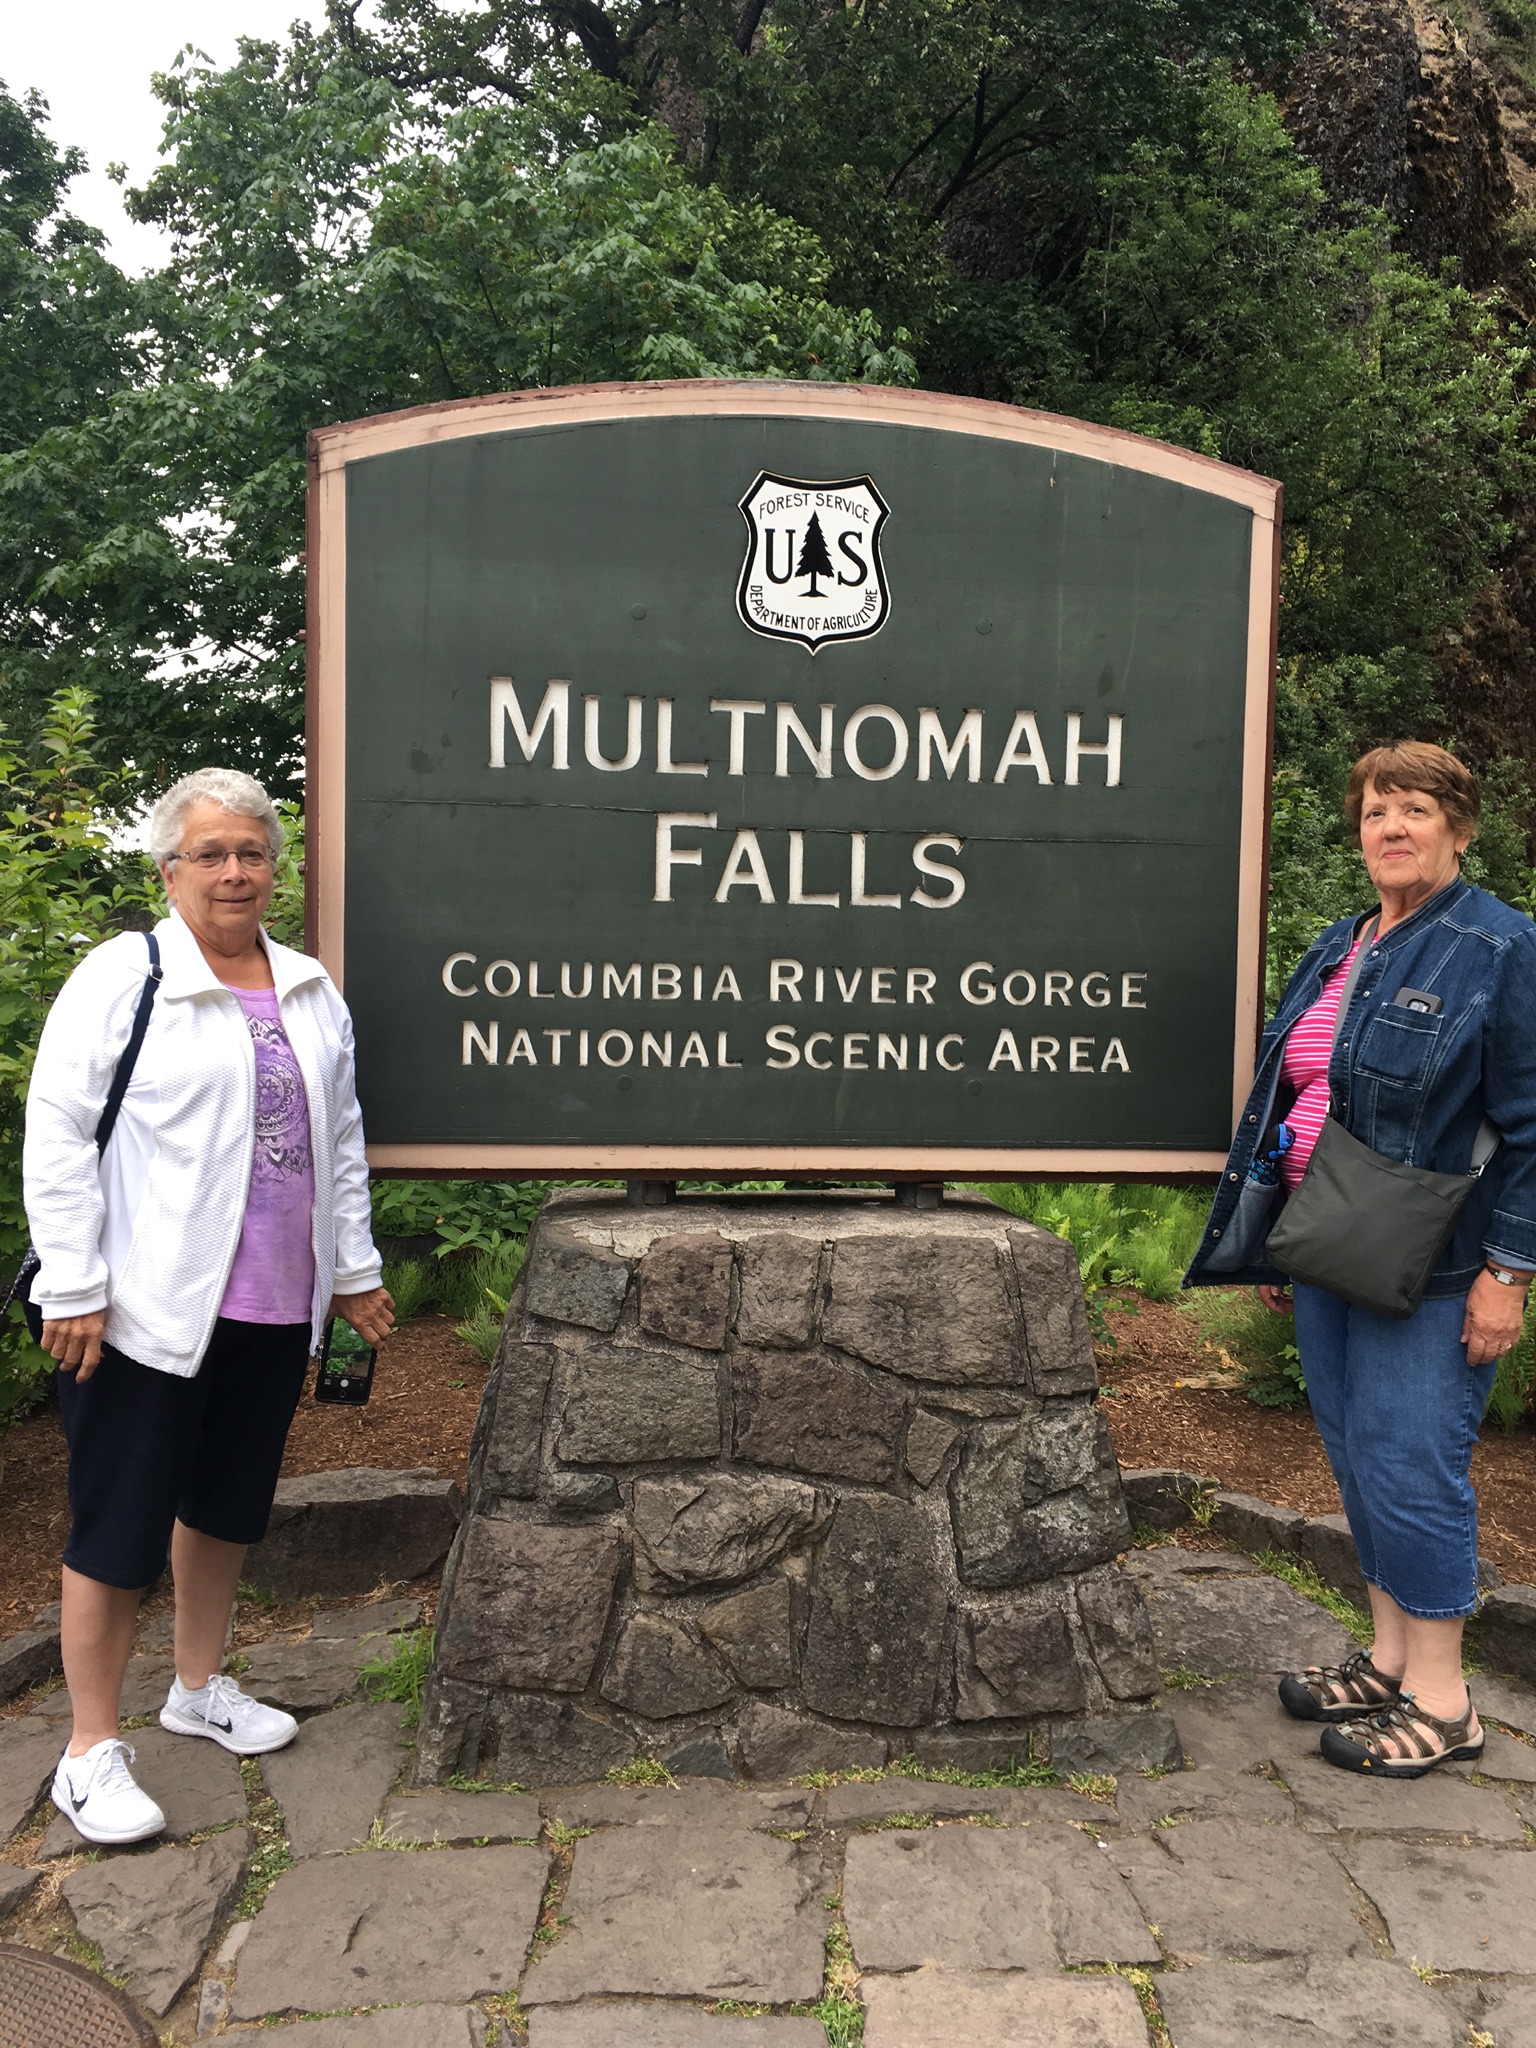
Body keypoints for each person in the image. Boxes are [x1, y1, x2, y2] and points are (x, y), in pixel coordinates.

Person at [24, 768, 394, 1844]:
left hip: (275, 1303)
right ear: (169, 870)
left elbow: (339, 1142)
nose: (235, 871)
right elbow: (58, 1131)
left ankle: (196, 1686)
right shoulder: (124, 975)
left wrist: (355, 1267)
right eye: (211, 853)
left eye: (253, 853)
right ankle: (89, 1749)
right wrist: (74, 1282)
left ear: (275, 867)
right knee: (118, 1523)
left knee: (226, 1506)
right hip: (143, 1307)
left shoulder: (309, 990)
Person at [1186, 741, 1536, 1777]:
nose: (1393, 827)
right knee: (1355, 1454)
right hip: (1329, 1246)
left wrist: (1509, 1273)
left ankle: (1445, 1700)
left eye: (1416, 809)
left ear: (1459, 828)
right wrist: (1276, 1232)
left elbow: (1532, 1124)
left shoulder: (1500, 945)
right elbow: (1296, 1092)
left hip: (1435, 1267)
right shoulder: (1341, 945)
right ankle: (1389, 1661)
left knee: (1412, 1464)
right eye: (1378, 811)